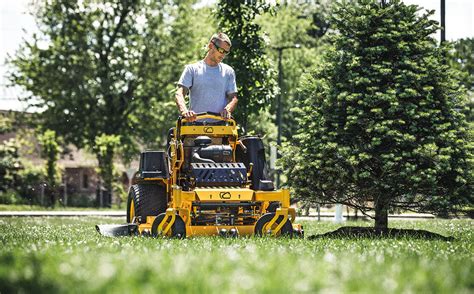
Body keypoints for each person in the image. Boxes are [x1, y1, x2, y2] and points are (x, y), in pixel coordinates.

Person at [175, 32, 238, 122]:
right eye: (221, 50)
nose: (223, 55)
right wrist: (185, 111)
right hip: (195, 127)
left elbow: (233, 98)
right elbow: (179, 93)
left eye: (226, 52)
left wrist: (227, 109)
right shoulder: (192, 69)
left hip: (220, 128)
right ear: (211, 45)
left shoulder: (228, 72)